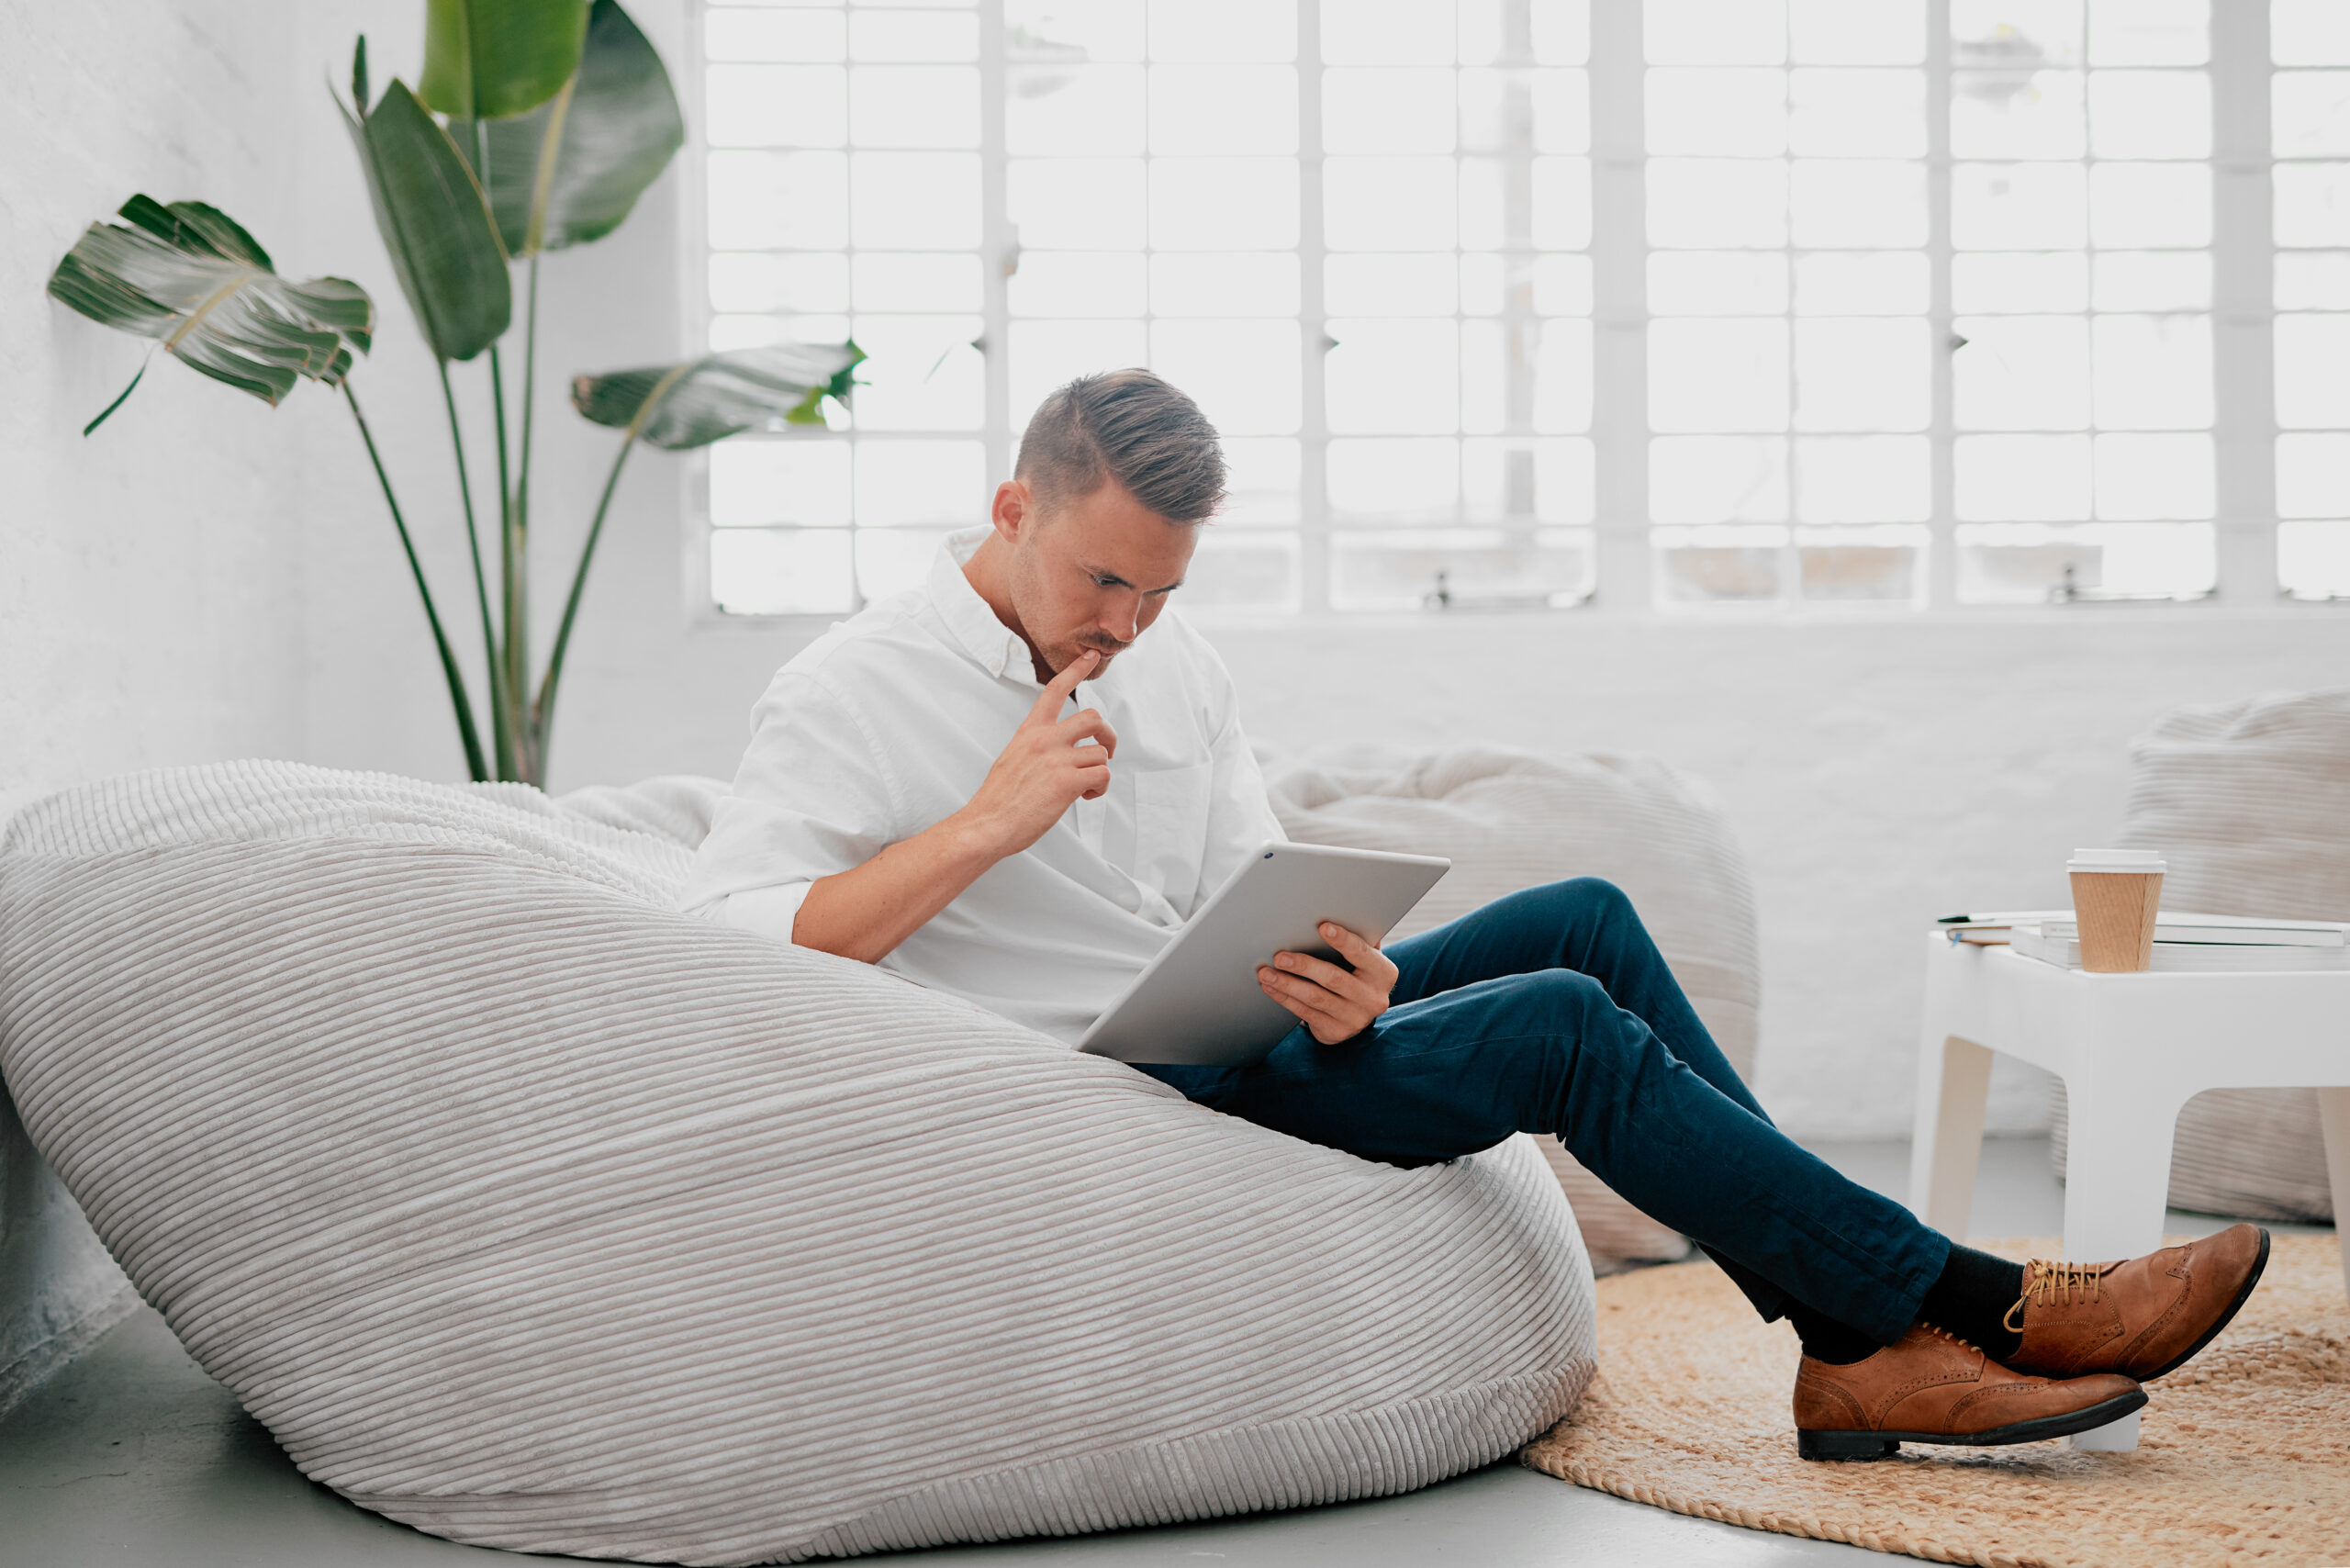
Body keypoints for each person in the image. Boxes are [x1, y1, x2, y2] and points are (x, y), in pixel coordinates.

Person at [681, 369, 2268, 1461]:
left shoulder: (1174, 658)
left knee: (1584, 920)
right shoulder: (853, 689)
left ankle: (1856, 1346)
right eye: (1105, 582)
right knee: (1563, 1028)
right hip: (1129, 1084)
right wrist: (985, 825)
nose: (1132, 624)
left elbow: (1250, 877)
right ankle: (1983, 1305)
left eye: (1163, 592)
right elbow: (738, 934)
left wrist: (1345, 965)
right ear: (1013, 507)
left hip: (1247, 1023)